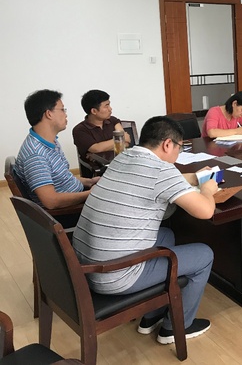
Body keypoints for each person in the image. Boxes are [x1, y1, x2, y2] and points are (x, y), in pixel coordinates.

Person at [72, 116, 218, 345]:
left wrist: (192, 178)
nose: (178, 153)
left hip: (85, 268)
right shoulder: (162, 170)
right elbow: (206, 211)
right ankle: (175, 328)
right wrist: (208, 189)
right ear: (168, 144)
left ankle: (152, 315)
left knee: (167, 236)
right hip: (114, 276)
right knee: (204, 255)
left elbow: (157, 181)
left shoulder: (124, 157)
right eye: (179, 147)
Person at [14, 89, 98, 211]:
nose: (66, 114)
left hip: (78, 196)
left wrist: (90, 182)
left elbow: (62, 178)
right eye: (62, 109)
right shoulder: (35, 155)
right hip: (70, 211)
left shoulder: (50, 141)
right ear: (49, 114)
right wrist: (91, 194)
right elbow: (51, 201)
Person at [72, 89, 131, 168]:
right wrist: (118, 141)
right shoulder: (80, 130)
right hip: (97, 168)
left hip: (120, 163)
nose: (110, 109)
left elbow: (126, 142)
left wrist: (100, 149)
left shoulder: (113, 121)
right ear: (94, 111)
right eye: (106, 106)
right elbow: (96, 148)